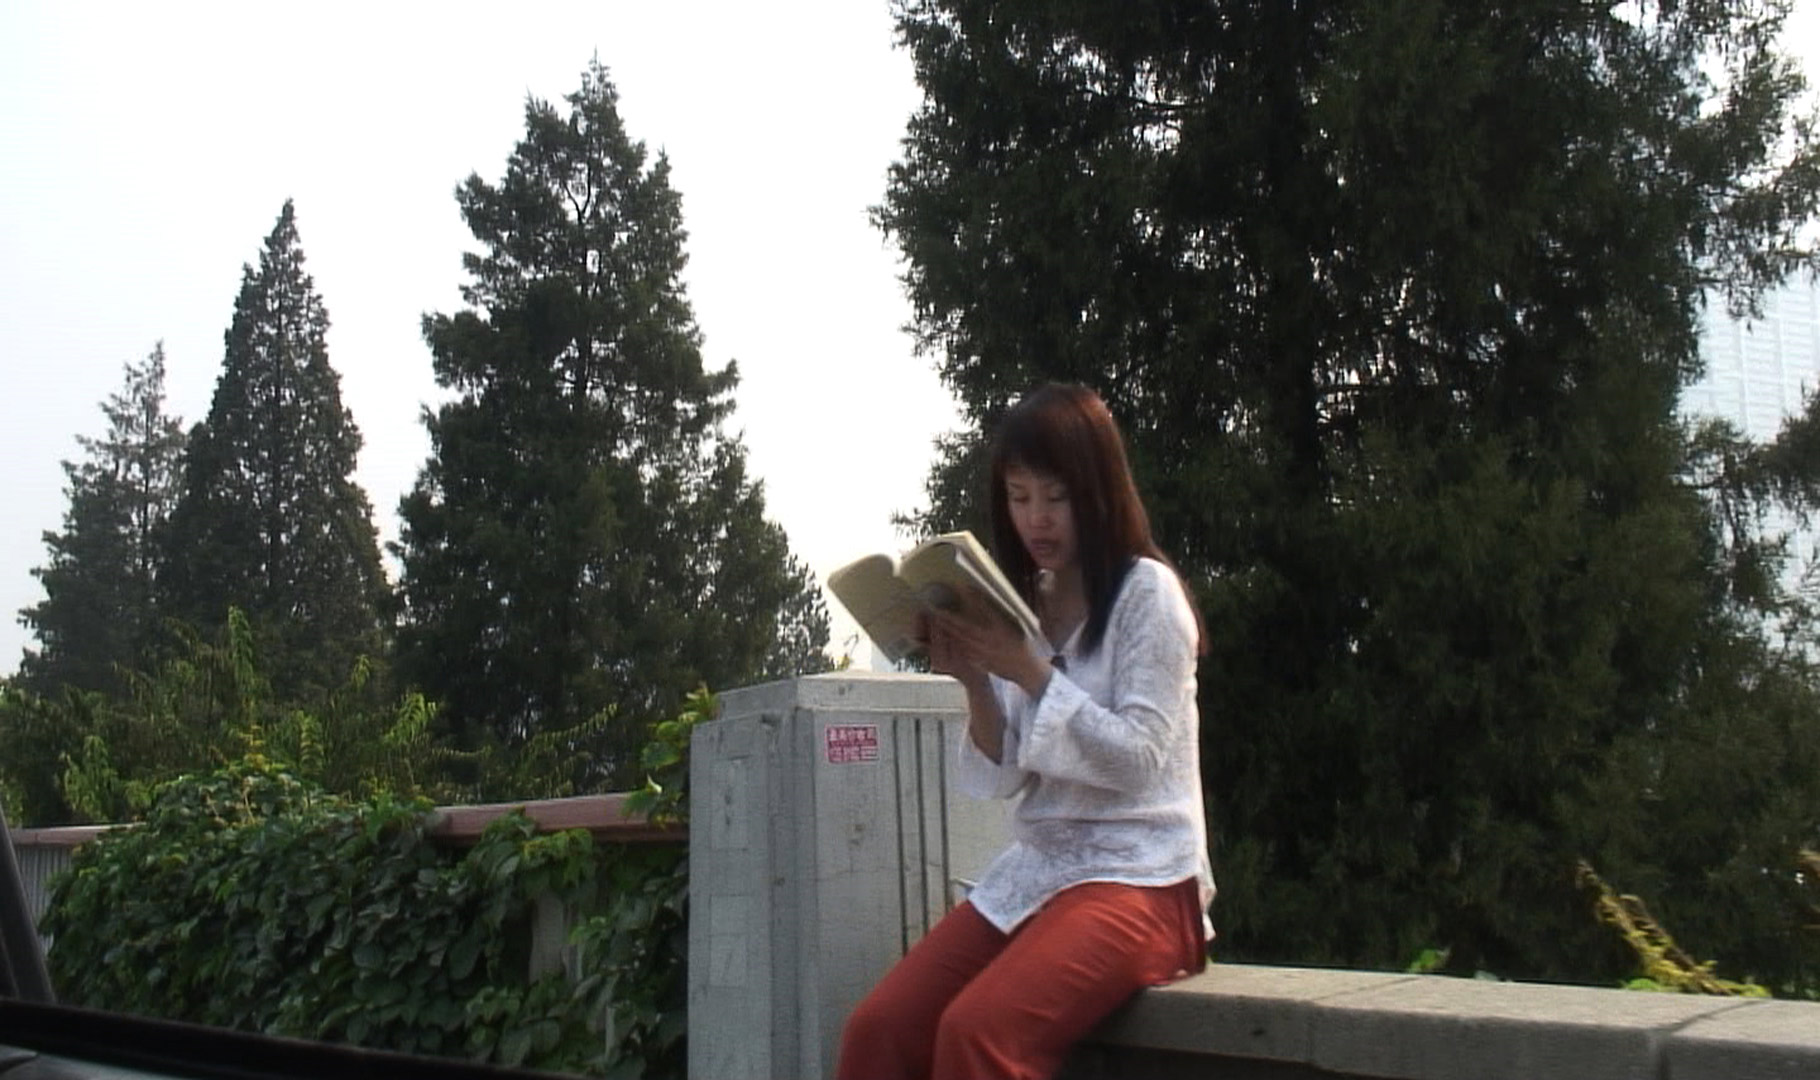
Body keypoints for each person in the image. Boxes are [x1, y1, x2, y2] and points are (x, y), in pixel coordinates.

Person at [835, 383, 1214, 1080]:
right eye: (1019, 497)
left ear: (1099, 493)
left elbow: (1139, 760)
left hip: (1145, 877)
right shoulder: (1021, 603)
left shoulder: (1147, 595)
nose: (1037, 519)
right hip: (1041, 870)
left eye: (1056, 497)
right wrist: (974, 679)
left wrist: (1030, 671)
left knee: (979, 1031)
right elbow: (1005, 772)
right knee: (878, 1029)